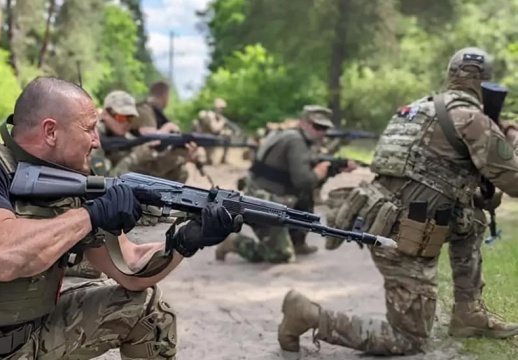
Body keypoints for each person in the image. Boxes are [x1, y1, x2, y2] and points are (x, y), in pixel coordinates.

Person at [0, 77, 241, 360]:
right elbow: (4, 258)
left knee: (145, 308)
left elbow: (130, 271)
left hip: (28, 341)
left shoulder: (70, 181)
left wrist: (184, 241)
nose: (96, 142)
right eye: (89, 129)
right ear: (50, 131)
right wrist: (89, 215)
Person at [277, 47, 518, 356]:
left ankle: (468, 313)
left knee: (471, 221)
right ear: (485, 83)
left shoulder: (420, 108)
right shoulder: (473, 120)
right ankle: (307, 315)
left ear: (451, 77)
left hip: (383, 216)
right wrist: (511, 136)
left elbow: (427, 172)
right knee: (408, 340)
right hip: (405, 236)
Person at [215, 105, 356, 264]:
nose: (321, 132)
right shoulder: (296, 141)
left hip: (268, 195)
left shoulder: (293, 136)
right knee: (281, 256)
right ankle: (234, 242)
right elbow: (303, 180)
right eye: (317, 127)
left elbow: (304, 176)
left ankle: (297, 242)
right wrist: (321, 172)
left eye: (324, 128)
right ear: (304, 123)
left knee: (304, 196)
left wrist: (333, 169)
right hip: (262, 201)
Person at [193, 98, 236, 165]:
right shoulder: (210, 116)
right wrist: (222, 122)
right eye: (221, 108)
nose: (222, 110)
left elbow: (219, 130)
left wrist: (225, 131)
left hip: (211, 138)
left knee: (228, 135)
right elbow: (214, 129)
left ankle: (224, 158)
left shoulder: (218, 117)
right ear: (216, 107)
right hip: (204, 138)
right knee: (209, 161)